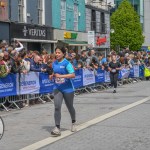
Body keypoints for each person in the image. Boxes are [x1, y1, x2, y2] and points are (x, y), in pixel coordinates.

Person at [50, 47, 76, 136]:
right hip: (57, 88)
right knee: (57, 107)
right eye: (56, 52)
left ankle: (73, 122)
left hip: (68, 89)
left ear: (63, 54)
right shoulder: (54, 63)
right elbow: (55, 72)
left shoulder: (67, 63)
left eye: (59, 53)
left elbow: (73, 75)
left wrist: (61, 76)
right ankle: (57, 127)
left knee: (70, 107)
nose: (57, 54)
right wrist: (52, 75)